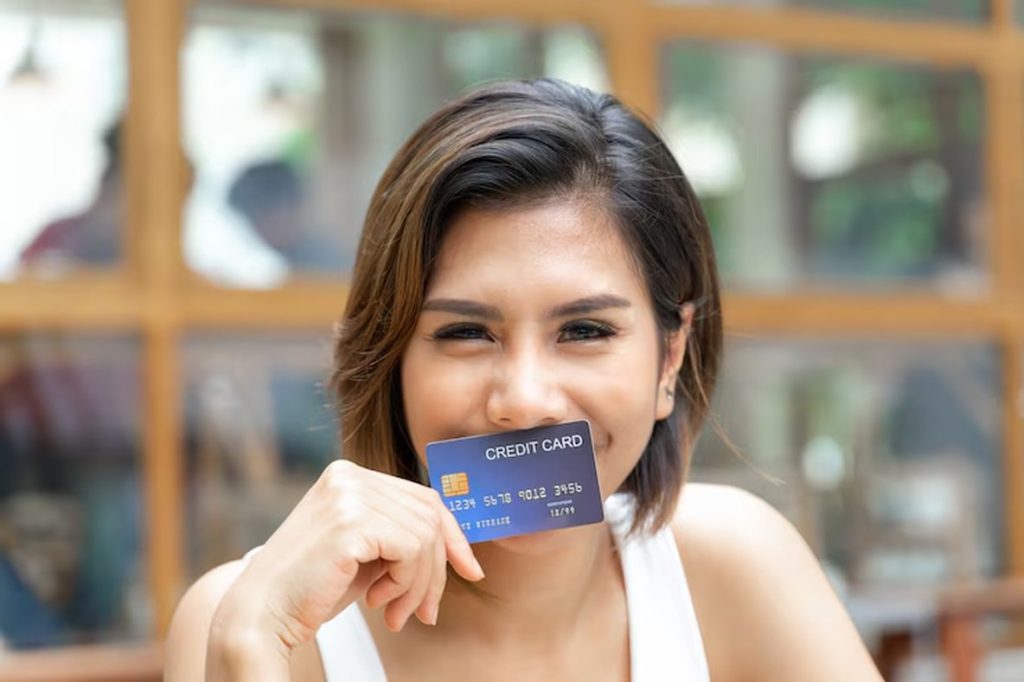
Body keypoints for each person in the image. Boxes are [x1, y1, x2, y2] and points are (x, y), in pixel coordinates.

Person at [165, 79, 882, 681]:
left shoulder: (736, 568)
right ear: (390, 361)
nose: (525, 401)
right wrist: (248, 653)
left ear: (670, 360)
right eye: (465, 332)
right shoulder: (252, 624)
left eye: (585, 330)